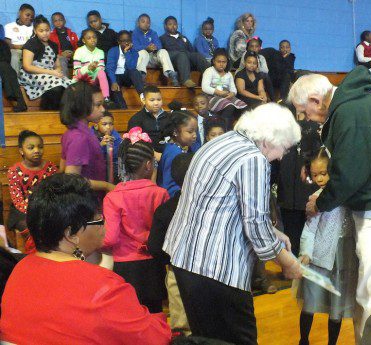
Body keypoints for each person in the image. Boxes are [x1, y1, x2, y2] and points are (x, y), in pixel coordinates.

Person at [288, 67, 371, 343]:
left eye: (303, 111)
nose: (303, 118)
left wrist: (320, 202)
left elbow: (350, 175)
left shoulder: (351, 112)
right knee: (364, 293)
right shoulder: (347, 107)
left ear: (315, 101)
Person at [163, 103, 303, 345]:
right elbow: (255, 225)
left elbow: (224, 206)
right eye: (284, 148)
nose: (281, 156)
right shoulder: (253, 159)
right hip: (216, 270)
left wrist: (272, 232)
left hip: (187, 261)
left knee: (206, 339)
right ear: (269, 140)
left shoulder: (222, 141)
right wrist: (286, 260)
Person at [0, 173, 172, 344]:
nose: (104, 224)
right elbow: (155, 338)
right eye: (98, 220)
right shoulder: (104, 288)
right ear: (71, 234)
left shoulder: (19, 270)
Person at [103, 127, 169, 313]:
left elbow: (110, 238)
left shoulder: (113, 197)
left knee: (130, 315)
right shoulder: (160, 194)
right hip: (153, 264)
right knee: (155, 313)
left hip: (125, 265)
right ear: (148, 165)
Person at [296, 148, 358, 345]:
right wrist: (305, 251)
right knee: (310, 302)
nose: (320, 179)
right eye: (315, 175)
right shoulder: (317, 198)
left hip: (345, 257)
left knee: (336, 307)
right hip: (321, 256)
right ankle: (303, 340)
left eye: (324, 173)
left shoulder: (349, 196)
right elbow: (310, 229)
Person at [149, 153, 194, 335]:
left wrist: (169, 259)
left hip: (177, 272)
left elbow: (154, 246)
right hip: (211, 274)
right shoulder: (212, 206)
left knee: (182, 329)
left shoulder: (165, 210)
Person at [271, 116, 320, 258]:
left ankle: (305, 271)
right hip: (287, 196)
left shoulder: (315, 135)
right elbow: (274, 167)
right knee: (290, 234)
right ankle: (292, 267)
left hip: (308, 196)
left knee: (308, 235)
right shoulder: (282, 139)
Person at [60, 79, 115, 194]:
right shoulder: (78, 137)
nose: (103, 109)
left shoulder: (78, 132)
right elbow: (72, 180)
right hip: (86, 200)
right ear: (82, 106)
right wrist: (107, 186)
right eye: (98, 105)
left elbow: (63, 167)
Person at [7, 130, 57, 252]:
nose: (36, 150)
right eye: (31, 147)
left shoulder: (50, 167)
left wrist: (44, 208)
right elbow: (17, 200)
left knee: (56, 220)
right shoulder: (14, 171)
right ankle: (34, 254)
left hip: (46, 205)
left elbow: (55, 192)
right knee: (29, 225)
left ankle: (54, 252)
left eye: (40, 147)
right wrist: (35, 211)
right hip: (23, 210)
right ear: (21, 151)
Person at [19, 15, 71, 110]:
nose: (45, 33)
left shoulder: (53, 45)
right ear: (35, 31)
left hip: (50, 73)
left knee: (70, 85)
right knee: (57, 85)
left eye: (47, 30)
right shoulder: (31, 43)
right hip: (32, 74)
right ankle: (48, 111)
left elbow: (57, 65)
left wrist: (58, 71)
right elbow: (27, 66)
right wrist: (52, 73)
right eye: (41, 31)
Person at [201, 48, 246, 129]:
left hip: (226, 95)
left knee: (243, 106)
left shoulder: (228, 74)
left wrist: (232, 93)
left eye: (224, 62)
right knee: (229, 106)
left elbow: (233, 89)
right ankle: (223, 129)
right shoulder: (209, 71)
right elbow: (205, 87)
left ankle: (236, 128)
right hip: (211, 96)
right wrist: (219, 92)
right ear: (214, 61)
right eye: (219, 62)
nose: (221, 64)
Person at [160, 16, 209, 88]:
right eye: (170, 24)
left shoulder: (183, 37)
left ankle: (210, 77)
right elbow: (161, 54)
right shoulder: (162, 38)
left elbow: (191, 50)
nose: (173, 26)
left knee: (197, 56)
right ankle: (186, 80)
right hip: (173, 60)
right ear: (165, 26)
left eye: (175, 24)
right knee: (181, 54)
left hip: (185, 58)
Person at [157, 111, 198, 197]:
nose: (195, 135)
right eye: (190, 132)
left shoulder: (182, 147)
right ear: (175, 132)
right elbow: (170, 186)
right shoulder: (173, 153)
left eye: (195, 131)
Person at [132, 13, 178, 86]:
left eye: (148, 22)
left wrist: (154, 47)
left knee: (163, 51)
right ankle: (141, 76)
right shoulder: (134, 33)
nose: (146, 24)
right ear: (138, 23)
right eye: (143, 21)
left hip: (153, 58)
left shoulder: (153, 33)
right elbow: (135, 47)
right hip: (142, 59)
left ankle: (171, 74)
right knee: (143, 52)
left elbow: (159, 45)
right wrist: (146, 47)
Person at [127, 85, 172, 155]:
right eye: (152, 100)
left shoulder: (168, 116)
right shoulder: (136, 119)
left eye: (159, 99)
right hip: (146, 155)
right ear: (144, 101)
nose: (156, 103)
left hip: (167, 153)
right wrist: (154, 154)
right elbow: (135, 144)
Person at [106, 30, 144, 109]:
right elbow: (110, 68)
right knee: (114, 86)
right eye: (123, 41)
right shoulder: (113, 51)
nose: (126, 43)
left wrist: (127, 52)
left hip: (127, 77)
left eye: (128, 41)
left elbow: (131, 67)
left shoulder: (134, 52)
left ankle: (143, 97)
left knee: (135, 72)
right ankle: (123, 109)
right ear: (119, 42)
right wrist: (113, 82)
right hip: (116, 77)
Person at [73, 28, 111, 104]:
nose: (92, 40)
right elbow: (77, 72)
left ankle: (106, 97)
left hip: (94, 77)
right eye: (89, 38)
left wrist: (94, 68)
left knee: (101, 72)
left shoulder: (100, 52)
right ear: (84, 41)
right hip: (81, 77)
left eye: (94, 37)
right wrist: (88, 68)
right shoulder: (79, 51)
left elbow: (101, 67)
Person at [236, 37, 275, 101]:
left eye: (256, 46)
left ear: (259, 48)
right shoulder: (245, 55)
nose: (254, 48)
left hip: (258, 76)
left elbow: (266, 70)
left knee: (265, 75)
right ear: (248, 48)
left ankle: (272, 99)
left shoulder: (261, 57)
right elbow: (244, 67)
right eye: (252, 46)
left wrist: (263, 95)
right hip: (244, 76)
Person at [91, 112, 122, 183]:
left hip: (113, 168)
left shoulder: (115, 135)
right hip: (96, 168)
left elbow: (117, 155)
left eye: (111, 124)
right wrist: (100, 145)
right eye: (104, 124)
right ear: (96, 126)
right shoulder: (91, 136)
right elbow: (91, 155)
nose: (108, 127)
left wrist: (112, 146)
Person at [4, 3, 34, 73]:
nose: (30, 18)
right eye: (27, 15)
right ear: (20, 13)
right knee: (14, 56)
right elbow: (8, 44)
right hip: (16, 51)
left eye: (32, 17)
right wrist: (21, 47)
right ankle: (15, 82)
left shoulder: (34, 28)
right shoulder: (9, 26)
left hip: (31, 52)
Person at [0, 36, 27, 112]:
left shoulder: (2, 44)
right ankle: (16, 98)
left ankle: (19, 101)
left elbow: (6, 60)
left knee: (5, 66)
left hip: (2, 68)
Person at [49, 12, 79, 77]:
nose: (58, 22)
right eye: (55, 21)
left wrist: (74, 53)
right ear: (53, 23)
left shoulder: (72, 34)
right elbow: (52, 51)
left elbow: (78, 47)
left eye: (60, 20)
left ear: (64, 21)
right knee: (61, 60)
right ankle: (65, 83)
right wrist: (61, 54)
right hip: (61, 56)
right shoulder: (51, 36)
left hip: (74, 55)